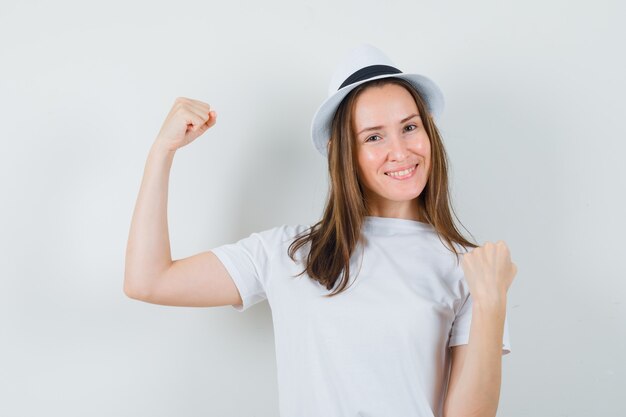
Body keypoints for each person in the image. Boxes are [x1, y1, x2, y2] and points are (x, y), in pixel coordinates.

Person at [124, 44, 517, 417]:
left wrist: (491, 302)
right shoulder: (288, 253)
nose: (400, 150)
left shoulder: (467, 267)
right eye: (374, 136)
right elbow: (149, 280)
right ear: (341, 151)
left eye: (410, 127)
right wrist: (162, 152)